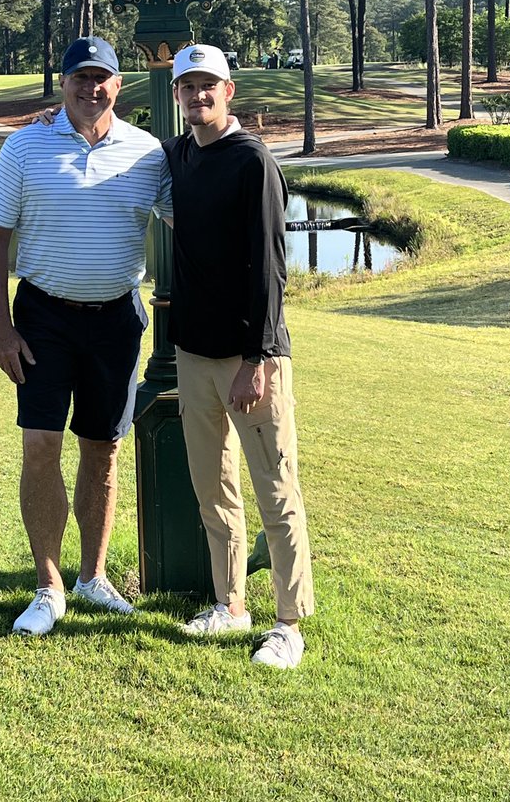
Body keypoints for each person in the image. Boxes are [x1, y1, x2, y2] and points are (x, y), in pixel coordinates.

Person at [0, 36, 172, 637]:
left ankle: (92, 575)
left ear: (119, 85)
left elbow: (188, 220)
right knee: (41, 446)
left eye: (102, 79)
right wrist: (1, 329)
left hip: (116, 319)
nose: (91, 89)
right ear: (63, 83)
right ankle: (48, 584)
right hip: (42, 319)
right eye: (80, 78)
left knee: (104, 450)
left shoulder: (148, 153)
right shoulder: (24, 147)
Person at [164, 44, 314, 669]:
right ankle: (231, 605)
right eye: (187, 87)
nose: (198, 95)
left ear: (230, 91)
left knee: (275, 489)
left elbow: (271, 268)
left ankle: (288, 622)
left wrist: (257, 358)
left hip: (250, 357)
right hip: (194, 352)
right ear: (177, 96)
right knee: (213, 487)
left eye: (208, 86)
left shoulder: (254, 162)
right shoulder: (177, 154)